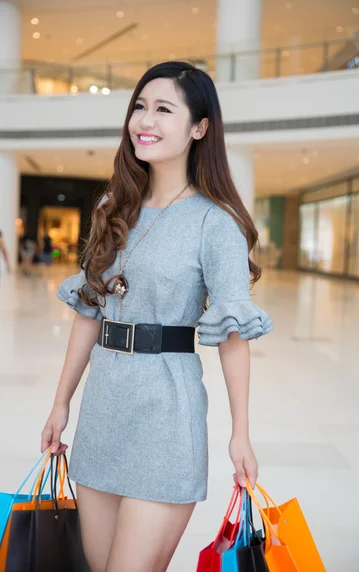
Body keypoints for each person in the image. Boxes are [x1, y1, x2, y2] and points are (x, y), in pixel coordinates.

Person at [40, 61, 273, 572]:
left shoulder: (216, 222)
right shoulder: (114, 205)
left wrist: (241, 432)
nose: (145, 120)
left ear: (199, 128)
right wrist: (61, 403)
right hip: (103, 410)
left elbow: (233, 335)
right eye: (140, 107)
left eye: (164, 109)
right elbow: (88, 311)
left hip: (167, 413)